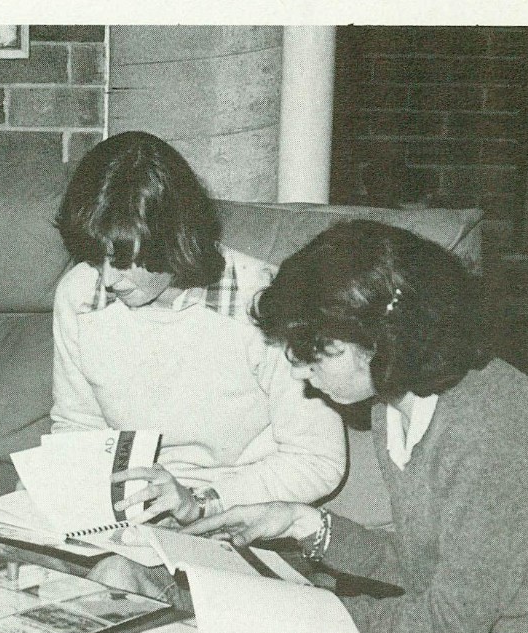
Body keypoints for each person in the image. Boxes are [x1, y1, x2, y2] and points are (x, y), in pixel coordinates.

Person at [169, 220, 528, 633]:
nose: (299, 369)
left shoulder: (490, 425)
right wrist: (302, 523)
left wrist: (297, 611)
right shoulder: (395, 406)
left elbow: (447, 629)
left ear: (386, 338)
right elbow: (422, 564)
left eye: (319, 349)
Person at [52, 132, 344, 526]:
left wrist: (203, 501)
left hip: (237, 514)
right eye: (94, 257)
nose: (106, 280)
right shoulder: (79, 294)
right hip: (128, 519)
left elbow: (318, 459)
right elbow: (78, 427)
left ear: (171, 237)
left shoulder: (265, 301)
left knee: (113, 580)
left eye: (121, 261)